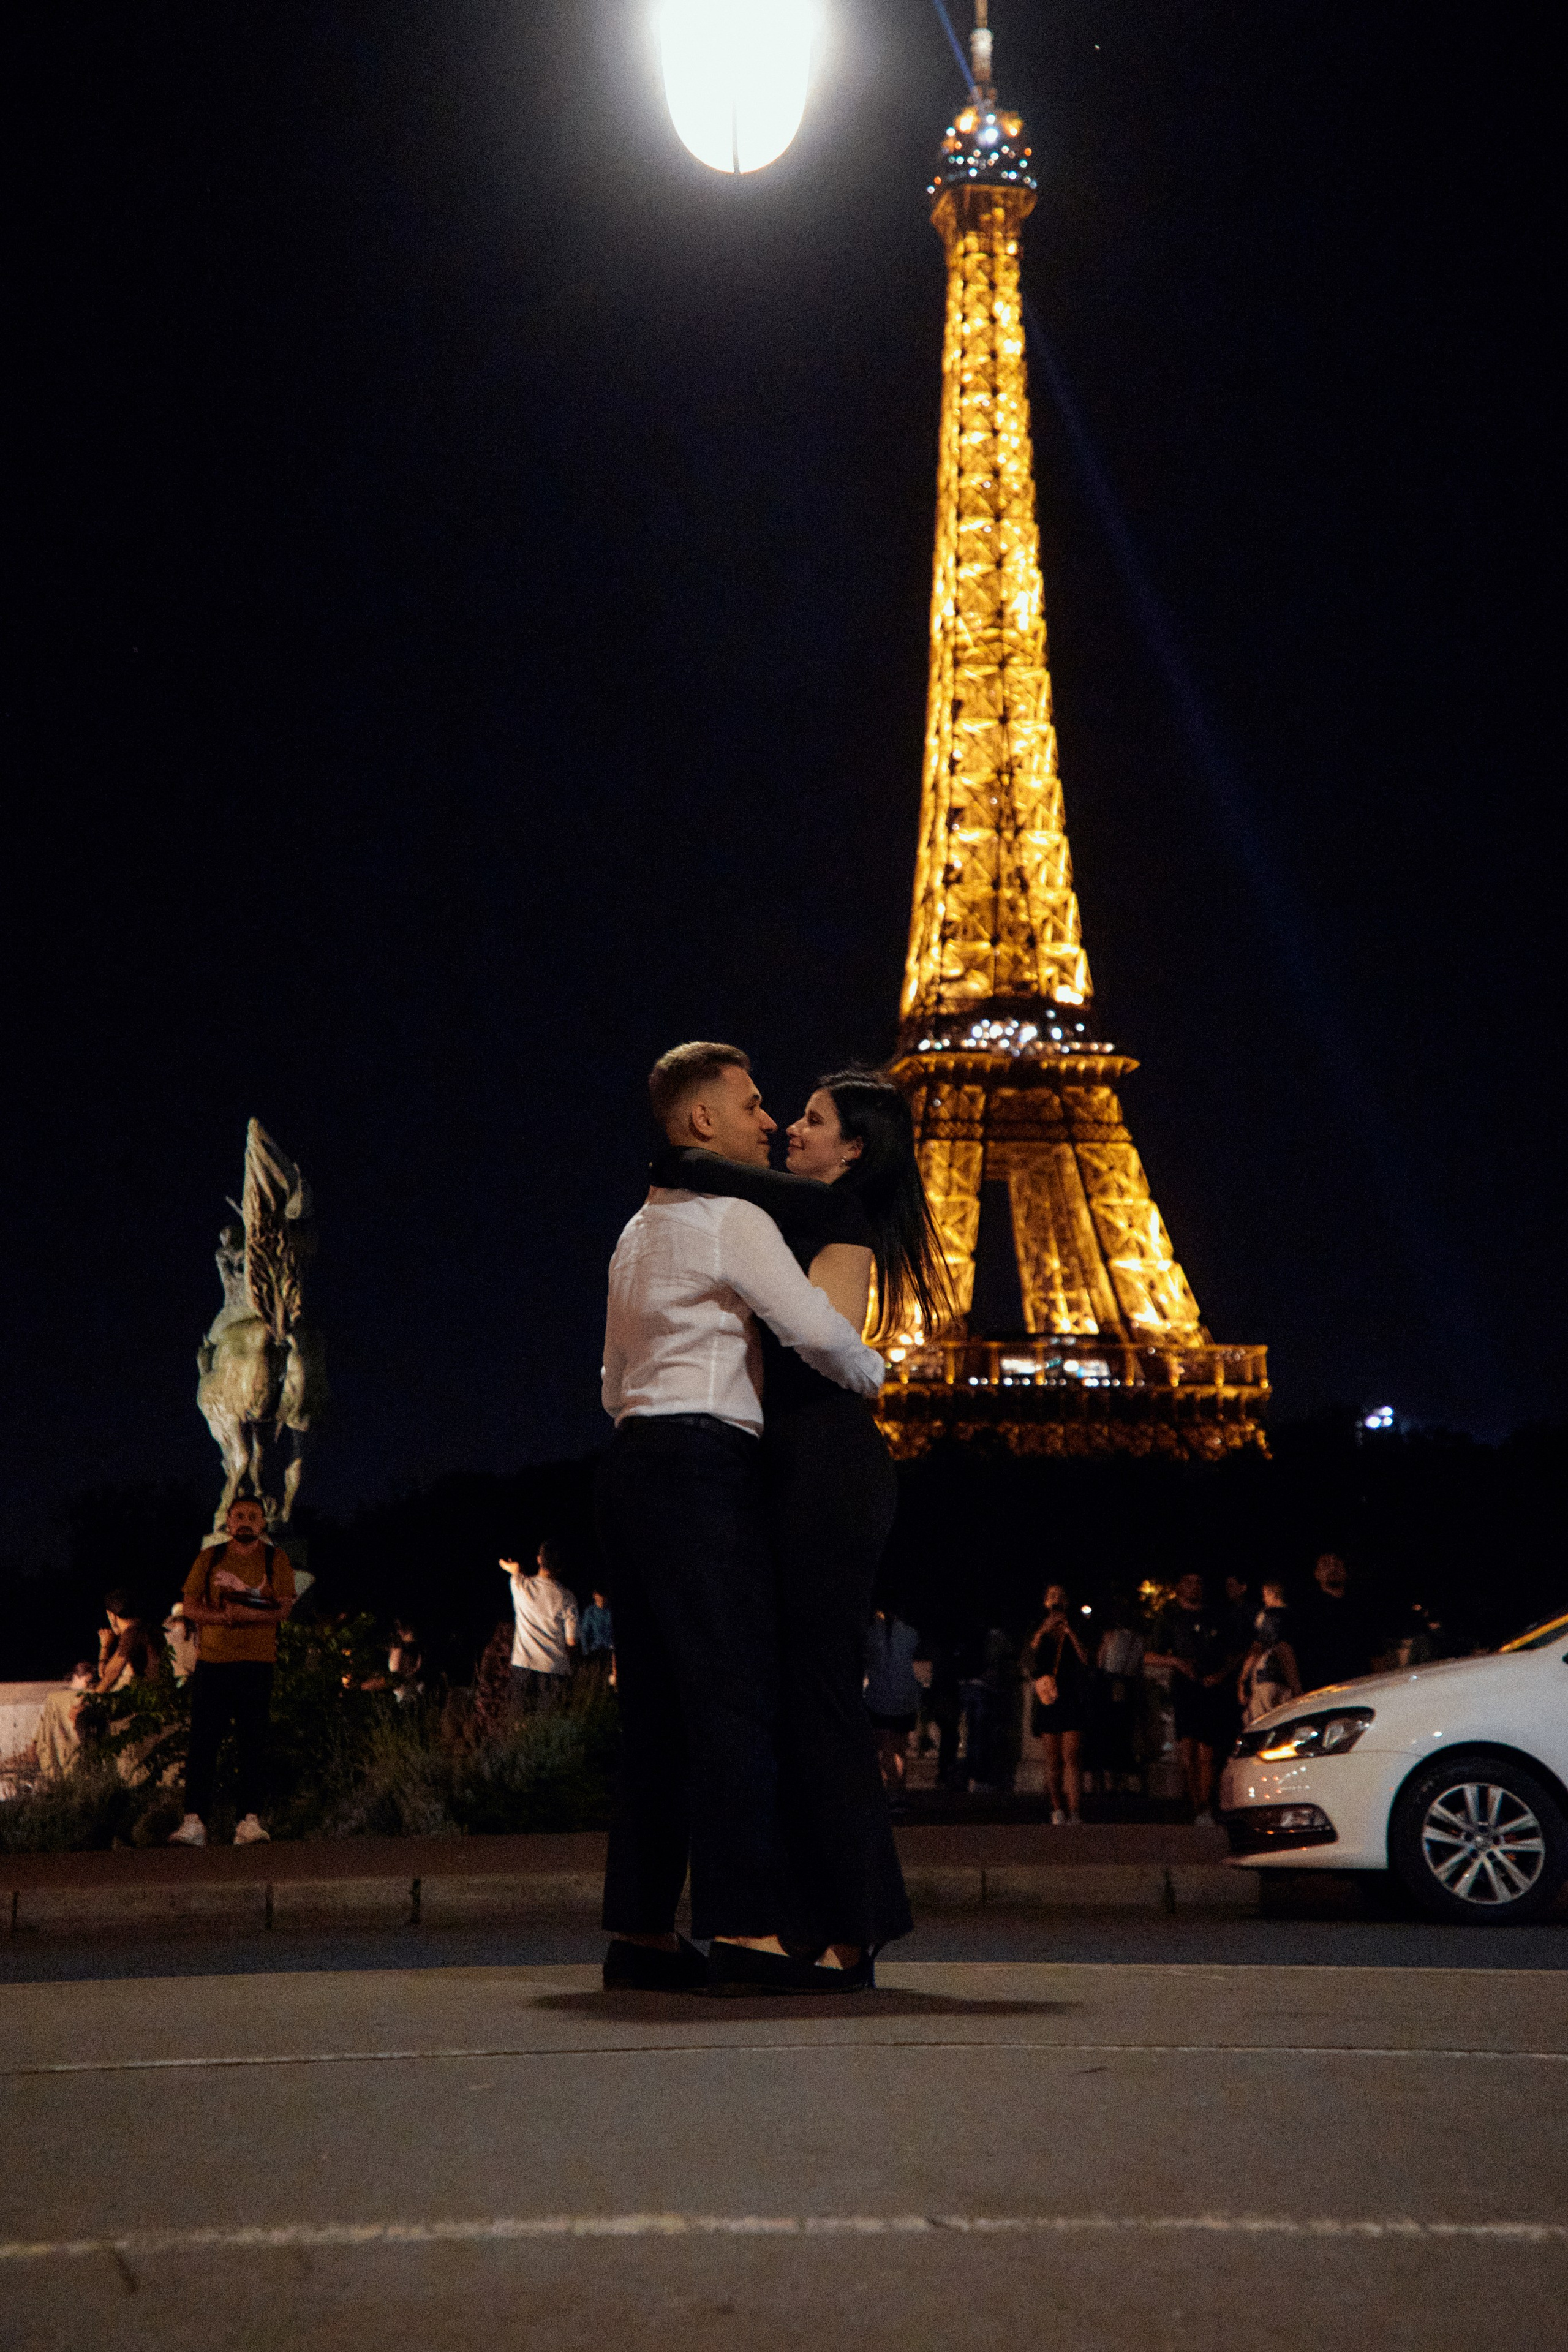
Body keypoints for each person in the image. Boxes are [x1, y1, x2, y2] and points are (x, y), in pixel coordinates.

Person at [597, 1041, 889, 1994]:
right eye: (756, 1105)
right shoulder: (731, 1218)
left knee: (655, 1712)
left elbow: (609, 1384)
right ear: (703, 1125)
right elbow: (813, 1332)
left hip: (632, 1460)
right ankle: (746, 1928)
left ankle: (639, 1934)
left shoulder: (633, 1235)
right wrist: (877, 1377)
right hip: (700, 1462)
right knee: (733, 1700)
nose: (770, 1122)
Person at [651, 1062, 951, 1975]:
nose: (790, 1127)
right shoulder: (799, 1218)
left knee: (819, 1698)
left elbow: (825, 1344)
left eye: (814, 1122)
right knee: (797, 1699)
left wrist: (683, 1163)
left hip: (826, 1472)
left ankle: (852, 1932)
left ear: (854, 1149)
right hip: (792, 1472)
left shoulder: (842, 1222)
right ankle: (822, 1920)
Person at [168, 1496, 296, 1847]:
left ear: (263, 1524)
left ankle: (249, 1821)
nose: (245, 1522)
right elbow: (191, 1606)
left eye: (253, 1517)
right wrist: (223, 1617)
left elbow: (284, 1608)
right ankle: (194, 1821)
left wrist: (246, 1616)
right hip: (214, 1663)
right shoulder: (210, 1558)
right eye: (239, 1515)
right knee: (203, 1743)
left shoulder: (275, 1558)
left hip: (257, 1664)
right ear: (228, 1520)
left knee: (252, 1742)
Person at [1144, 1572, 1238, 1825]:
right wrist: (1176, 1661)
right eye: (1189, 1583)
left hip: (1212, 1690)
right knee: (1188, 1753)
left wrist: (1220, 1676)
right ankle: (1194, 1803)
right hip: (1186, 1689)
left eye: (1198, 1582)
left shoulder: (1217, 1617)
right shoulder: (1171, 1619)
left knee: (1207, 1753)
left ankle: (1205, 1805)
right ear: (1179, 1589)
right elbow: (1149, 1655)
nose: (1195, 1587)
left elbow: (1234, 1654)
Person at [1027, 1585, 1091, 1825]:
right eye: (1051, 1596)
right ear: (1045, 1602)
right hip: (1048, 1698)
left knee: (1072, 1757)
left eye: (1061, 1596)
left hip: (1072, 1696)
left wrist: (1070, 1631)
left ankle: (1075, 1810)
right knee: (1053, 1759)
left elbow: (1086, 1659)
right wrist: (1043, 1631)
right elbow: (1028, 1660)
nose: (1056, 1600)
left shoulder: (1077, 1626)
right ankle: (1057, 1808)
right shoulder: (1038, 1628)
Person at [500, 1542, 579, 1707]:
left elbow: (516, 1573)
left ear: (539, 1560)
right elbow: (572, 1642)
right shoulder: (568, 1598)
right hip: (555, 1671)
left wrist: (514, 1568)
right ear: (561, 1567)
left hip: (524, 1666)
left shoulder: (520, 1586)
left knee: (520, 1726)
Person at [1292, 1553, 1377, 1694]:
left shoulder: (1360, 1606)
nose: (1333, 1568)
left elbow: (1375, 1649)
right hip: (1322, 1688)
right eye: (1326, 1565)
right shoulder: (1306, 1609)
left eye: (1337, 1564)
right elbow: (1287, 1649)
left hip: (1360, 1684)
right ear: (1317, 1574)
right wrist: (1297, 1688)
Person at [864, 1604, 921, 1804]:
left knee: (885, 1747)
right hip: (907, 1699)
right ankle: (900, 1790)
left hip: (880, 1699)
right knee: (900, 1748)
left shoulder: (871, 1635)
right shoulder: (909, 1633)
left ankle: (892, 1790)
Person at [1093, 1608, 1145, 1792]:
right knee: (1124, 1732)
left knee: (1110, 1731)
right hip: (1126, 1685)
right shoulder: (1138, 1639)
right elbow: (1139, 1667)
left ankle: (1109, 1778)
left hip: (1111, 1684)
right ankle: (1120, 1777)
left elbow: (1101, 1662)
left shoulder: (1111, 1636)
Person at [1238, 1580, 1301, 1724]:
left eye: (1265, 1594)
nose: (1263, 1599)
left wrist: (1242, 1680)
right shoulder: (1294, 1616)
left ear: (1273, 1593)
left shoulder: (1271, 1616)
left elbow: (1260, 1649)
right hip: (1286, 1680)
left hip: (1268, 1676)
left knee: (1262, 1723)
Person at [579, 1589, 615, 1681]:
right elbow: (585, 1633)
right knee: (597, 1677)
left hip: (610, 1650)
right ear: (594, 1595)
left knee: (611, 1679)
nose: (601, 1598)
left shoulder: (611, 1611)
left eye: (603, 1595)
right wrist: (586, 1652)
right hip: (595, 1651)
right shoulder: (590, 1612)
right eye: (599, 1594)